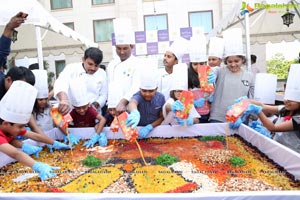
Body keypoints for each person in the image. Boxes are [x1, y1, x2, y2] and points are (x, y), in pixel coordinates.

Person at [0, 81, 67, 181]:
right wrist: (38, 166)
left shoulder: (12, 127)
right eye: (21, 126)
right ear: (6, 124)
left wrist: (55, 143)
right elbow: (15, 154)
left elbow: (36, 136)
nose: (23, 130)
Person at [231, 64, 300, 153]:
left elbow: (273, 127)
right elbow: (262, 106)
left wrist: (258, 111)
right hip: (277, 147)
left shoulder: (298, 119)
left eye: (292, 100)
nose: (287, 101)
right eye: (286, 98)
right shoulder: (284, 109)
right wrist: (247, 101)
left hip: (292, 154)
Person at [209, 28, 255, 123]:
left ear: (242, 60)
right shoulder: (221, 71)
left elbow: (252, 98)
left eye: (236, 61)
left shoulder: (249, 76)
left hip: (239, 118)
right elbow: (213, 70)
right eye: (230, 61)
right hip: (218, 117)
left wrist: (251, 116)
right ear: (225, 61)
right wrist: (210, 74)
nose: (233, 64)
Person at [54, 47, 107, 115]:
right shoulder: (71, 68)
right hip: (72, 115)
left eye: (96, 65)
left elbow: (104, 95)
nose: (93, 68)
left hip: (93, 115)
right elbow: (61, 83)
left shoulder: (102, 73)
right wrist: (64, 99)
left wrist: (95, 105)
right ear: (83, 59)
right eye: (90, 64)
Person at [106, 18, 141, 115]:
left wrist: (123, 102)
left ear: (132, 47)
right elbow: (109, 86)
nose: (121, 52)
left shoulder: (137, 63)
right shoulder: (111, 64)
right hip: (112, 110)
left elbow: (136, 87)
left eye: (125, 48)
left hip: (130, 108)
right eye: (118, 48)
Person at [126, 64, 165, 138]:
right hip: (137, 131)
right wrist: (134, 112)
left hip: (154, 130)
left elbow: (162, 117)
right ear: (140, 89)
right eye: (144, 91)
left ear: (156, 89)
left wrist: (150, 127)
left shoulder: (161, 98)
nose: (147, 94)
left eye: (151, 91)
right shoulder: (138, 95)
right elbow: (133, 103)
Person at [66, 79, 107, 148]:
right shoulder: (73, 112)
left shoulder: (90, 110)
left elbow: (103, 119)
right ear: (74, 107)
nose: (82, 110)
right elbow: (62, 123)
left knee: (97, 125)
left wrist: (97, 135)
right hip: (78, 136)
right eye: (78, 108)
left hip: (92, 134)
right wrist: (69, 135)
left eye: (84, 107)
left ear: (88, 104)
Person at [188, 35, 214, 123]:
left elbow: (212, 92)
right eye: (195, 64)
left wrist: (211, 97)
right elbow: (181, 97)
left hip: (208, 113)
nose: (198, 67)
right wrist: (193, 103)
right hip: (193, 115)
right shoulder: (187, 76)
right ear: (191, 64)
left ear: (205, 63)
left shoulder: (209, 74)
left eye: (201, 63)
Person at [158, 37, 189, 101]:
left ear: (176, 61)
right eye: (165, 55)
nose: (165, 58)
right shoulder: (158, 74)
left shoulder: (181, 76)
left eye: (169, 57)